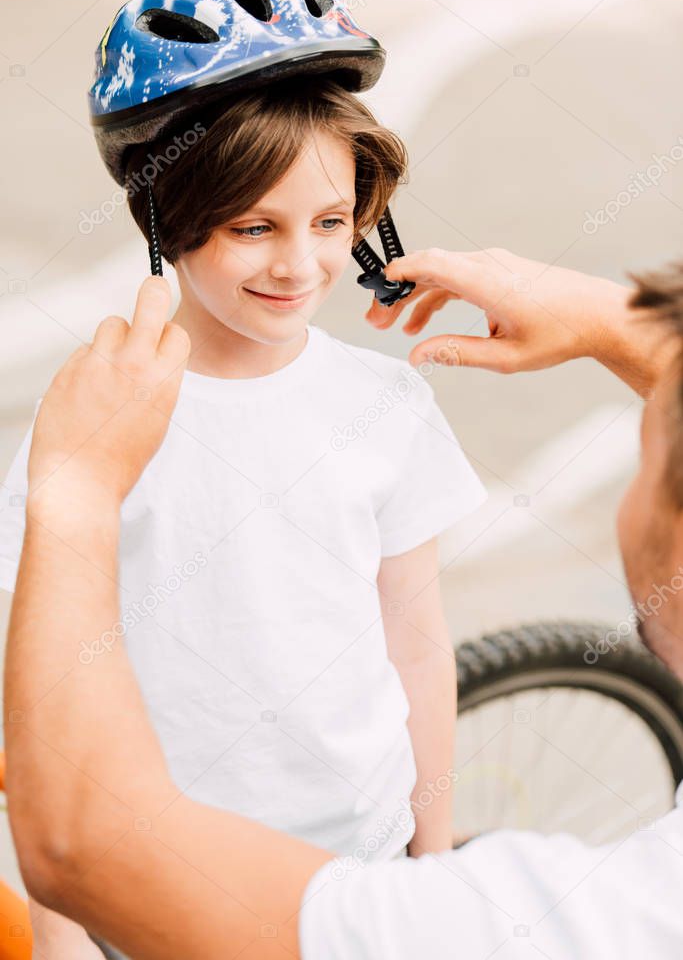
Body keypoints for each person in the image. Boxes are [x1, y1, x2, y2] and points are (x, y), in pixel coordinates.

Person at [0, 0, 487, 959]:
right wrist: (61, 922)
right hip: (159, 879)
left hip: (356, 865)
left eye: (327, 222)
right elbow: (36, 689)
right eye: (250, 226)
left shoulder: (384, 403)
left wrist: (430, 859)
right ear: (166, 218)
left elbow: (416, 643)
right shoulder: (97, 413)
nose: (298, 264)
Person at [4, 245, 683, 959]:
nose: (296, 263)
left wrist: (77, 490)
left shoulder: (566, 923)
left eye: (645, 442)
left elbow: (79, 851)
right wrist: (621, 325)